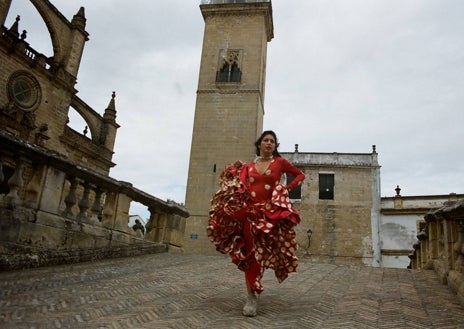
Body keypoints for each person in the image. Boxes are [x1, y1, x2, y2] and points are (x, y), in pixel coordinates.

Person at [207, 130, 306, 317]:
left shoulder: (280, 163)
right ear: (259, 144)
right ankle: (251, 296)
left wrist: (286, 189)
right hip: (250, 215)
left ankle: (257, 282)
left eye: (273, 141)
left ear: (275, 146)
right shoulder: (249, 167)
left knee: (266, 252)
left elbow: (299, 175)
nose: (269, 143)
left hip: (270, 215)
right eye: (266, 140)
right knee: (250, 255)